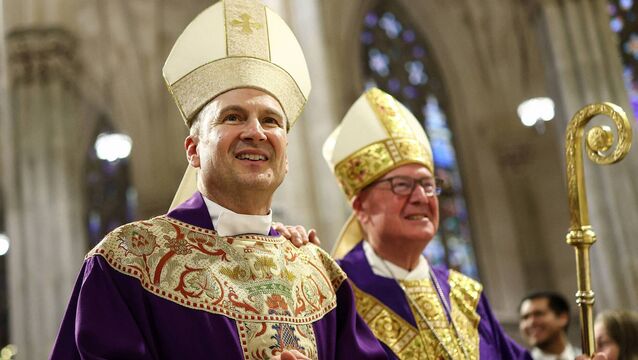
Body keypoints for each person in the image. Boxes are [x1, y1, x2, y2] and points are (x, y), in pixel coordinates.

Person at [49, 1, 387, 359]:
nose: (255, 132)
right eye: (233, 117)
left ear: (286, 155)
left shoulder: (321, 278)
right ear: (193, 150)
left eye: (271, 121)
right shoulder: (127, 262)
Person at [318, 87, 531, 359]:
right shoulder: (336, 293)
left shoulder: (465, 295)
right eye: (402, 185)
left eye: (428, 185)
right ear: (361, 207)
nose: (420, 197)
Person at [519, 291, 581, 359]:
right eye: (525, 317)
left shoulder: (587, 356)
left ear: (563, 318)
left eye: (538, 314)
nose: (531, 322)